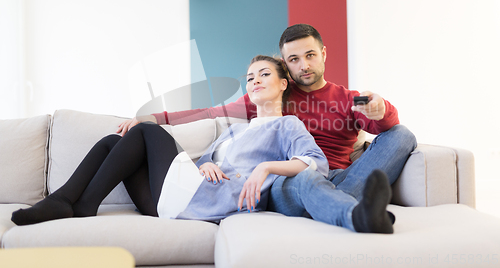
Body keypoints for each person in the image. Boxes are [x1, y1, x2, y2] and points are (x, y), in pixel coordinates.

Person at [118, 24, 417, 233]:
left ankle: (338, 201)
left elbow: (386, 127)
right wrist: (152, 120)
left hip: (340, 176)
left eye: (310, 55)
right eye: (294, 60)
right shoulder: (273, 94)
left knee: (403, 134)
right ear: (286, 68)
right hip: (290, 180)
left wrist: (381, 109)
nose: (304, 65)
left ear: (323, 53)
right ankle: (356, 212)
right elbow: (207, 112)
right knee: (307, 178)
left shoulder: (347, 99)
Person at [11, 55, 330, 225]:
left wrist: (265, 169)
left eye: (264, 74)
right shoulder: (237, 128)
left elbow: (316, 164)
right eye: (250, 77)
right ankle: (71, 201)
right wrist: (204, 165)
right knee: (112, 140)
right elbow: (208, 161)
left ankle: (78, 203)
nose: (255, 80)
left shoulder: (288, 124)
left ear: (284, 83)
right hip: (178, 198)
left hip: (208, 202)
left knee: (148, 131)